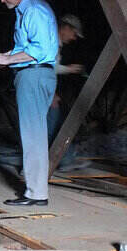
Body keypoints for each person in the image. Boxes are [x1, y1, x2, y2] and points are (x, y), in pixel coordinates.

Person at [0, 0, 58, 206]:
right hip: (31, 75)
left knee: (33, 136)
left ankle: (37, 194)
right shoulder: (25, 10)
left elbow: (41, 51)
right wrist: (7, 56)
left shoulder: (35, 11)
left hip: (35, 75)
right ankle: (35, 191)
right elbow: (26, 47)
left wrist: (9, 60)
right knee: (32, 134)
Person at [48, 14, 89, 170]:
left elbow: (50, 68)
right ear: (65, 28)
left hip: (45, 89)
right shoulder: (50, 41)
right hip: (41, 90)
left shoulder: (56, 43)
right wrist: (50, 94)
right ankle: (62, 160)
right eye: (74, 34)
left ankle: (65, 158)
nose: (74, 38)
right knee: (53, 126)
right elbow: (45, 68)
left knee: (55, 124)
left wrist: (69, 69)